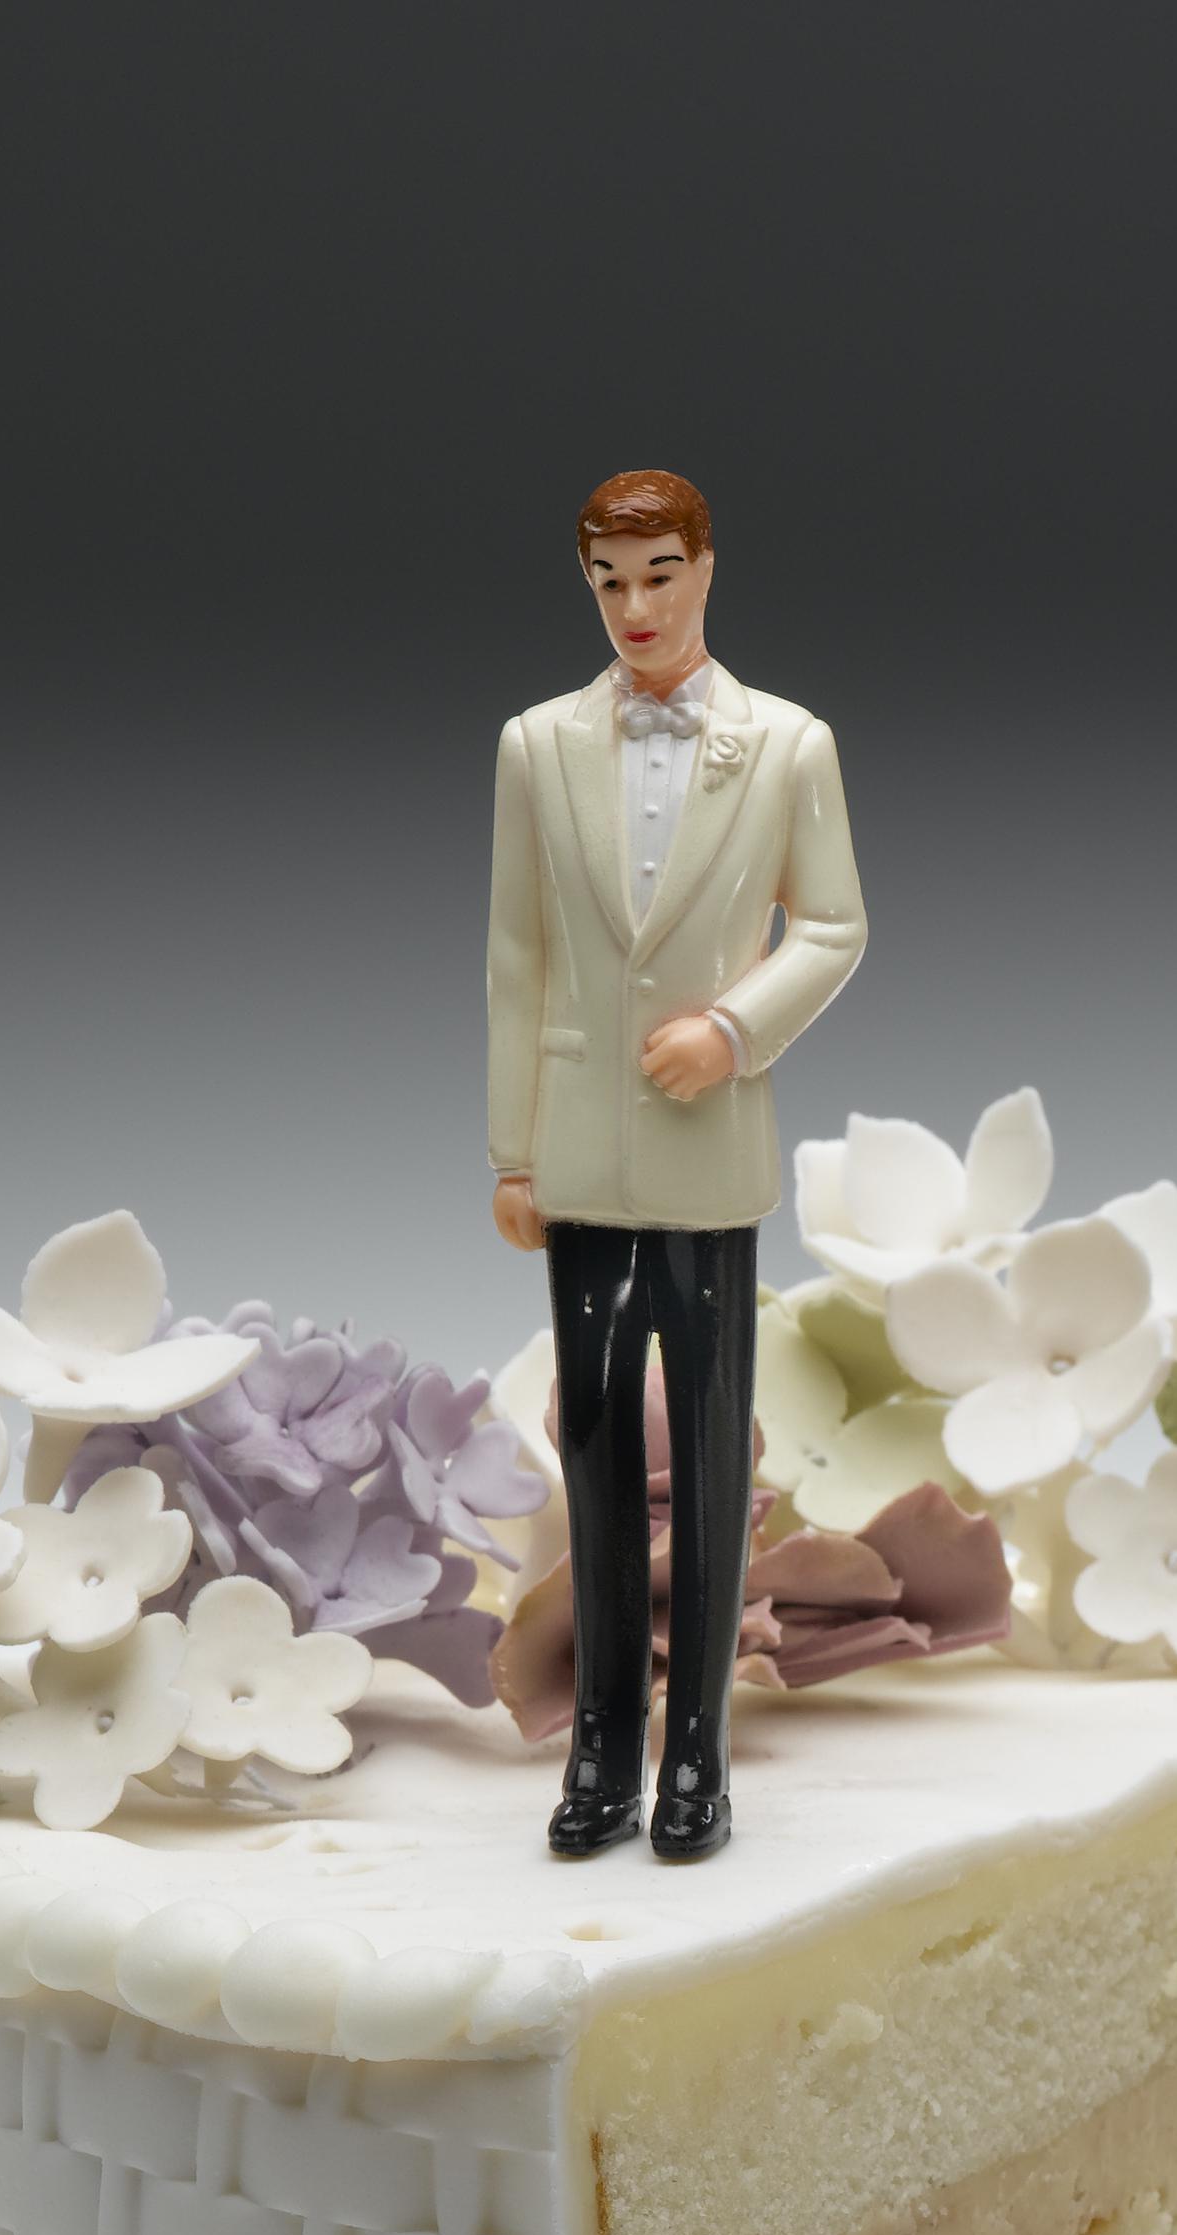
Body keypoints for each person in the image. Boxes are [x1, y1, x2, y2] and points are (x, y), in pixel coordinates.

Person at [486, 468, 870, 1860]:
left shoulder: (788, 745)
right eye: (610, 580)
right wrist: (513, 1150)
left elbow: (832, 929)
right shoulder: (537, 745)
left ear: (705, 569)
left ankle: (697, 1751)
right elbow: (517, 956)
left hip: (709, 1156)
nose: (635, 606)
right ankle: (601, 1745)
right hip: (583, 1150)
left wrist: (735, 1028)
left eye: (659, 574)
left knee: (710, 1463)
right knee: (594, 1454)